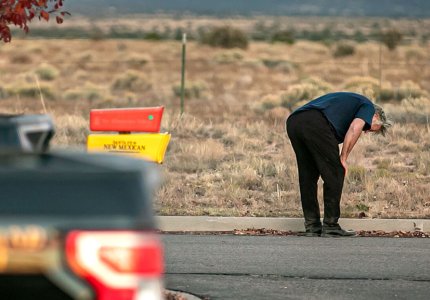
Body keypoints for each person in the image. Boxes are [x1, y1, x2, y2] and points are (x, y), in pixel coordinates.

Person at [286, 92, 391, 237]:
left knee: (308, 176)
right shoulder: (368, 107)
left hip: (294, 121)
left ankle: (312, 226)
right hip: (315, 122)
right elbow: (355, 128)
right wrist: (343, 158)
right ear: (376, 116)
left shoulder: (350, 106)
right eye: (369, 128)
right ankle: (330, 226)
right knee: (336, 172)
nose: (365, 132)